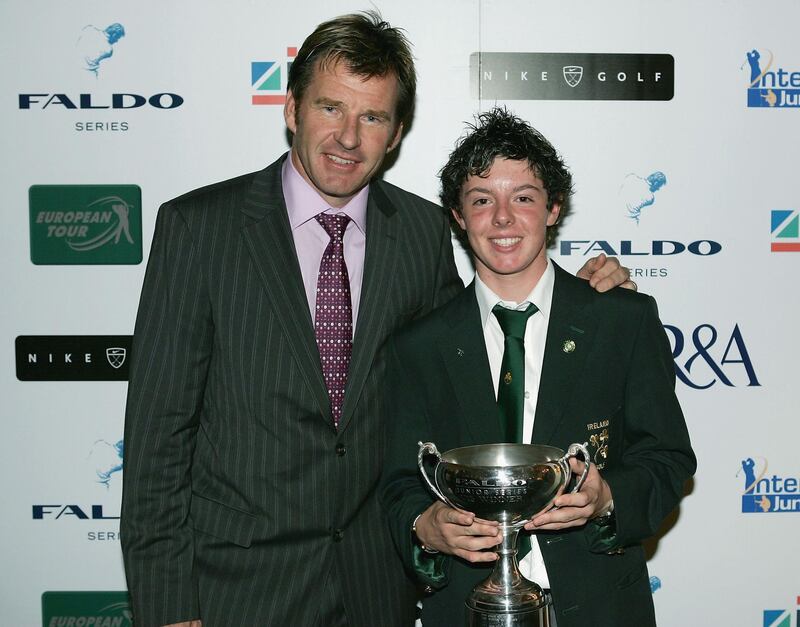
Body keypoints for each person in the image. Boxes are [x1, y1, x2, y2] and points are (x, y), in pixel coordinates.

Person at [120, 13, 632, 627]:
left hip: (377, 588)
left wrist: (582, 297)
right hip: (235, 591)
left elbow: (471, 354)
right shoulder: (200, 230)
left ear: (395, 135)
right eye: (330, 108)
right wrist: (171, 610)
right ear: (291, 109)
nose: (347, 138)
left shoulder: (418, 233)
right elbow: (157, 444)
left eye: (372, 117)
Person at [379, 108, 696, 627]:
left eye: (523, 197)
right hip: (464, 607)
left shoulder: (622, 321)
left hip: (601, 606)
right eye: (482, 200)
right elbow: (396, 483)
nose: (503, 218)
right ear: (458, 216)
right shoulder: (419, 345)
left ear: (554, 208)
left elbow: (668, 458)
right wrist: (424, 525)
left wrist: (607, 496)